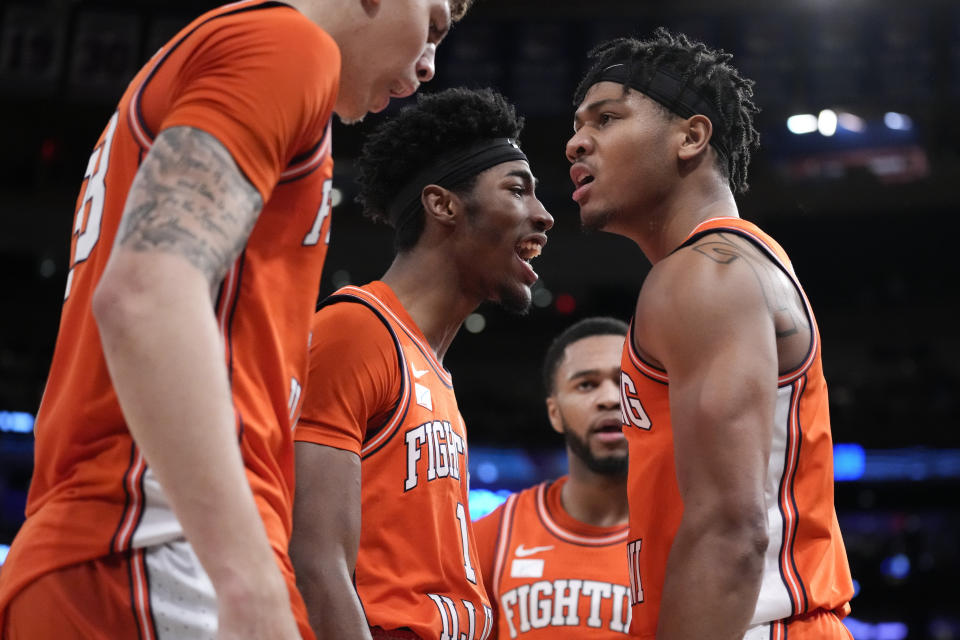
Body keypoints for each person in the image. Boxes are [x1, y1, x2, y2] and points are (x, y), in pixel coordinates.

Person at [0, 1, 472, 638]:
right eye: (434, 26)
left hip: (127, 546)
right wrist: (247, 576)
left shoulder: (236, 53)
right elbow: (145, 294)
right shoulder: (283, 47)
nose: (427, 66)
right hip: (156, 548)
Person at [565, 29, 854, 640]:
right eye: (577, 125)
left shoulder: (704, 274)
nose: (575, 143)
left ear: (691, 137)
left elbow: (731, 528)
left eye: (607, 119)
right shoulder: (729, 265)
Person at [289, 87, 553, 640]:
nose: (543, 215)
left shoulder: (432, 368)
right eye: (517, 190)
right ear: (443, 205)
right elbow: (315, 565)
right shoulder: (355, 330)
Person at [473, 317, 633, 639]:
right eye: (586, 384)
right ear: (554, 413)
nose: (610, 398)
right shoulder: (494, 535)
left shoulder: (686, 535)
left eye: (625, 383)